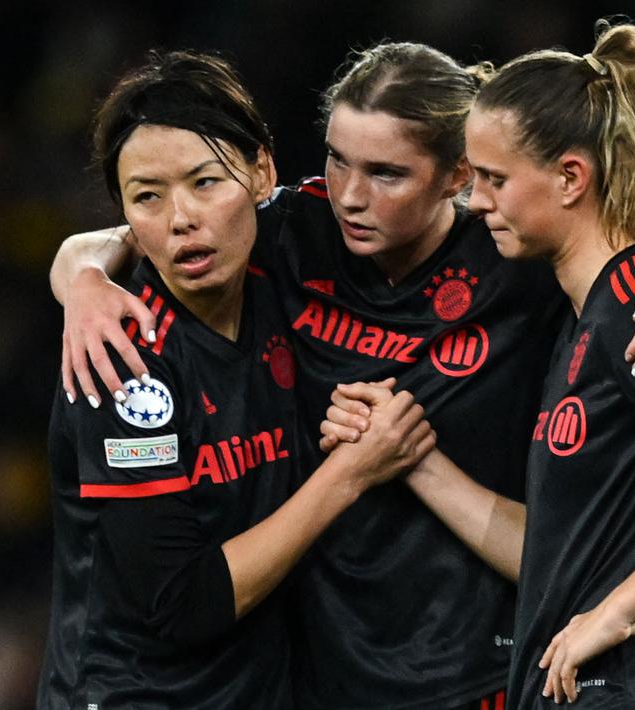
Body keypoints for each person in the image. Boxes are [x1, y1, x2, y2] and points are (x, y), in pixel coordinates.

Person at [50, 42, 635, 709]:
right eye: (336, 161)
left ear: (458, 176)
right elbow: (168, 212)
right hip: (328, 670)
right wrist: (81, 274)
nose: (350, 195)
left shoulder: (514, 256)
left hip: (484, 664)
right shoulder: (292, 236)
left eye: (386, 172)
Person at [326, 19, 635, 709]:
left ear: (570, 177)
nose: (476, 200)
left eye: (493, 178)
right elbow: (562, 556)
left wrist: (613, 611)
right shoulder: (584, 321)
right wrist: (412, 458)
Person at [38, 49, 435, 709]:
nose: (180, 218)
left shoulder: (283, 255)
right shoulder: (121, 360)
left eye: (204, 182)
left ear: (260, 173)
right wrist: (350, 474)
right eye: (147, 197)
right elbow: (178, 605)